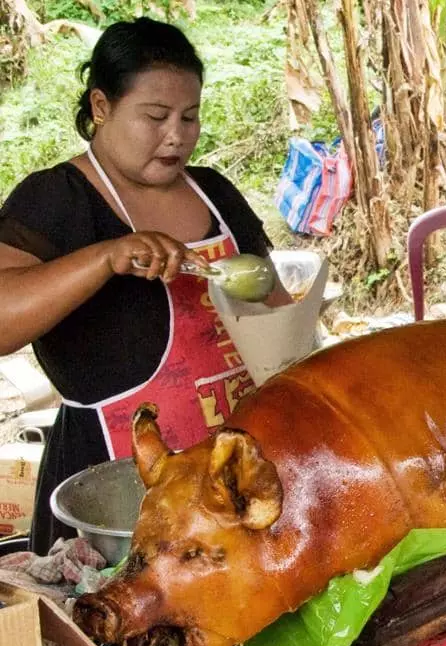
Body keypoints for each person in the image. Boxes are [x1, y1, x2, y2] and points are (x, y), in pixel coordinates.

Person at [0, 18, 285, 554]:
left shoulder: (215, 192)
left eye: (190, 117)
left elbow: (277, 308)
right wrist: (104, 259)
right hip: (114, 484)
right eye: (155, 116)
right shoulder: (56, 200)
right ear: (102, 106)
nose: (176, 135)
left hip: (235, 468)